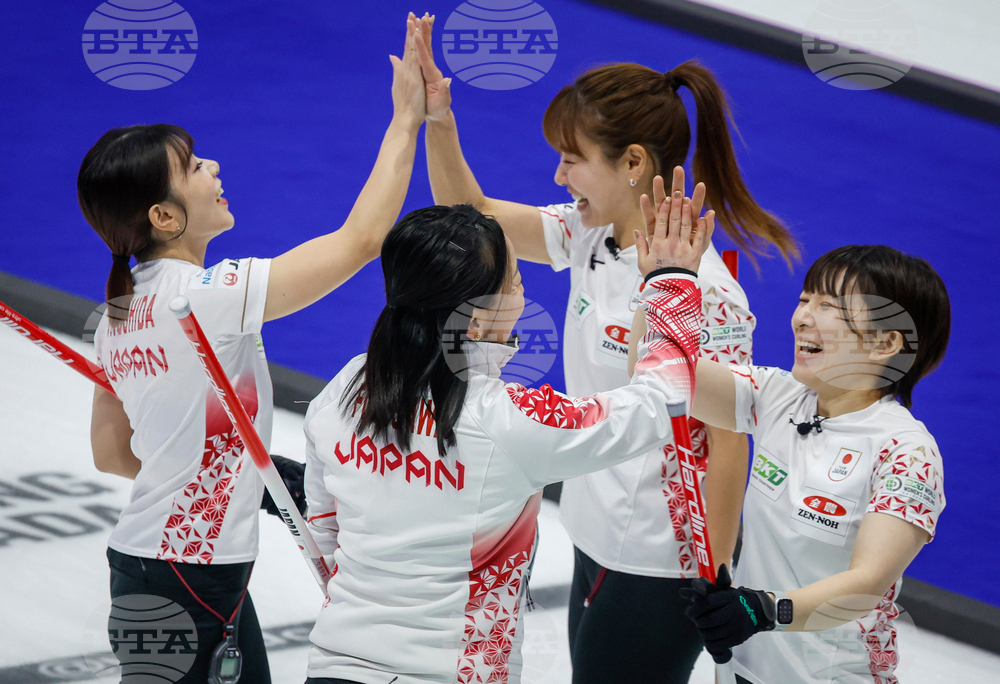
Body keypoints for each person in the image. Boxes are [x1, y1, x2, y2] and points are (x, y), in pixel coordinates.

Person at [412, 14, 798, 682]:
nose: (558, 176)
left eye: (572, 159)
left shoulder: (707, 291)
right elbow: (470, 213)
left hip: (659, 557)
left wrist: (714, 568)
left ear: (633, 164)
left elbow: (731, 437)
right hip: (592, 527)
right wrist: (438, 119)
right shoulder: (590, 233)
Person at [79, 16, 427, 683]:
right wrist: (405, 123)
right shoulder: (207, 296)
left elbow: (112, 452)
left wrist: (216, 475)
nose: (213, 168)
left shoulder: (114, 316)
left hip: (160, 565)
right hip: (193, 577)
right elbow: (359, 241)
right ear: (163, 216)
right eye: (193, 166)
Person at [302, 187, 712, 684]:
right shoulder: (510, 420)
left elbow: (323, 535)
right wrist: (672, 283)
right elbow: (660, 404)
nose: (524, 292)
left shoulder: (344, 388)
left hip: (332, 665)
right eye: (516, 280)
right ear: (476, 321)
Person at [656, 239, 950, 683]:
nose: (802, 317)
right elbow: (662, 376)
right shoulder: (778, 396)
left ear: (885, 342)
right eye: (804, 299)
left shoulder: (909, 452)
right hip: (741, 669)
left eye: (830, 306)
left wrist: (762, 610)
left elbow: (865, 586)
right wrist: (663, 278)